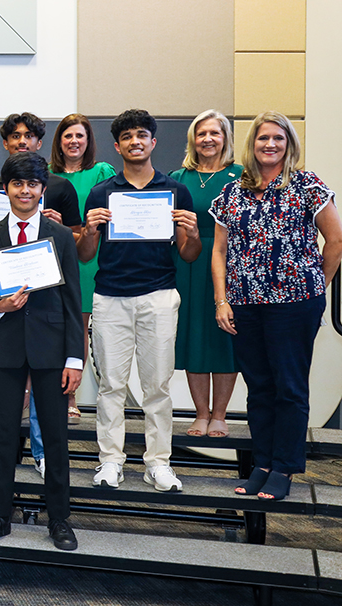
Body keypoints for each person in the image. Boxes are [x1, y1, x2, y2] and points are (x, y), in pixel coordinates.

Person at [213, 111, 342, 501]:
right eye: (262, 139)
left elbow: (335, 240)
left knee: (289, 388)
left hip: (295, 304)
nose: (270, 145)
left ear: (289, 144)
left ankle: (284, 467)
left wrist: (317, 287)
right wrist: (222, 300)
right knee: (259, 388)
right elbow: (219, 251)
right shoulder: (234, 191)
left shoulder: (307, 185)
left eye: (278, 139)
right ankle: (263, 463)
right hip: (245, 304)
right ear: (252, 145)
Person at [78, 109, 201, 492]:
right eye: (127, 136)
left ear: (153, 142)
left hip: (159, 296)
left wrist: (193, 233)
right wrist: (90, 230)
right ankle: (111, 460)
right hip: (110, 297)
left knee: (157, 386)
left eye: (142, 135)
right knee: (111, 385)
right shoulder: (103, 192)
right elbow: (84, 255)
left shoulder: (175, 191)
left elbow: (190, 254)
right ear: (117, 146)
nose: (135, 141)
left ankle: (158, 463)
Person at [0, 152, 82, 551]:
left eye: (32, 184)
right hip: (6, 350)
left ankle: (60, 519)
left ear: (42, 190)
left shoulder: (62, 236)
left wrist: (75, 358)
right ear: (6, 189)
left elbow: (72, 302)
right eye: (17, 184)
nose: (25, 191)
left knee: (54, 438)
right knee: (2, 438)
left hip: (52, 350)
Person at [169, 110, 242, 438]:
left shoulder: (243, 176)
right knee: (195, 335)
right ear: (193, 140)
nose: (208, 139)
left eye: (215, 133)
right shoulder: (178, 178)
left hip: (230, 263)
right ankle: (201, 413)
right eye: (202, 134)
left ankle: (221, 414)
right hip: (188, 263)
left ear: (225, 137)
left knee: (224, 338)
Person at [49, 113, 118, 422]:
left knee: (79, 330)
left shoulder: (102, 171)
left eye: (80, 136)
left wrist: (67, 227)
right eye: (68, 136)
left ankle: (70, 397)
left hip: (90, 259)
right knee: (57, 331)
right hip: (54, 261)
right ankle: (57, 394)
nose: (74, 141)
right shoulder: (46, 174)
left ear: (89, 141)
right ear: (58, 142)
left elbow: (109, 219)